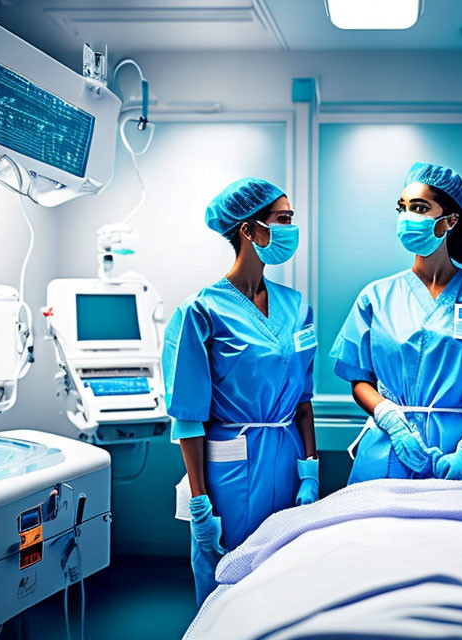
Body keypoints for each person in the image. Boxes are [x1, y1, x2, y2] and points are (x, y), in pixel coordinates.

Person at [162, 177, 319, 608]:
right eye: (281, 220)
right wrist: (200, 505)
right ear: (249, 231)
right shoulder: (201, 311)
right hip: (228, 471)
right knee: (226, 592)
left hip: (287, 460)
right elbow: (189, 418)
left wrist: (310, 470)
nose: (290, 229)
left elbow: (303, 399)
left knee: (284, 585)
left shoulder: (296, 305)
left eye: (291, 220)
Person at [330, 162, 462, 486]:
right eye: (403, 208)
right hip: (390, 448)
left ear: (450, 220)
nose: (408, 217)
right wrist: (391, 421)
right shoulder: (376, 297)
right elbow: (359, 380)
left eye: (420, 208)